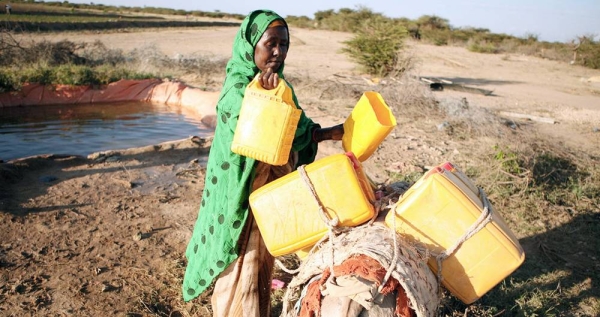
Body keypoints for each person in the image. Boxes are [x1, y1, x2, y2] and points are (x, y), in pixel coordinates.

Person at [182, 9, 344, 317]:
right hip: (241, 192)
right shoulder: (237, 86)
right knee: (242, 258)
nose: (278, 52)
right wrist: (263, 100)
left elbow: (295, 126)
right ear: (250, 44)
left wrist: (325, 134)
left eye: (283, 45)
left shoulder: (279, 85)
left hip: (268, 193)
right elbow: (249, 131)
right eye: (270, 43)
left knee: (261, 259)